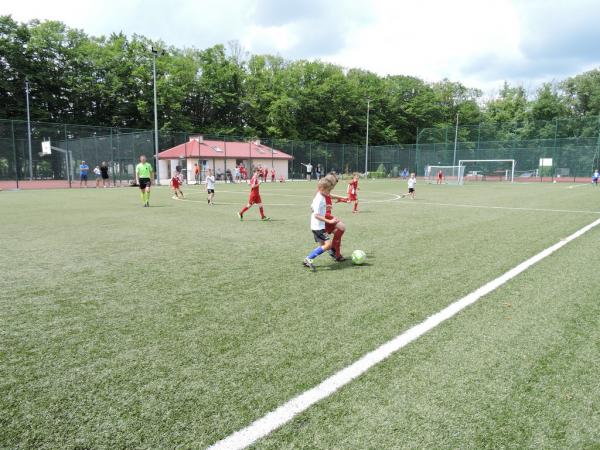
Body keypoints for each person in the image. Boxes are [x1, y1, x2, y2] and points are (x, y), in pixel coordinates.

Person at [303, 178, 345, 271]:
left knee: (323, 246)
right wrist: (329, 221)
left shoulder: (320, 196)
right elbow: (316, 215)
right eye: (328, 190)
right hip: (318, 227)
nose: (329, 193)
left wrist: (326, 207)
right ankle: (308, 258)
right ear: (322, 189)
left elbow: (313, 207)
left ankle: (308, 259)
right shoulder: (319, 199)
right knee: (328, 245)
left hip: (317, 226)